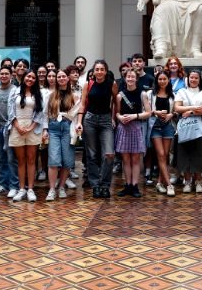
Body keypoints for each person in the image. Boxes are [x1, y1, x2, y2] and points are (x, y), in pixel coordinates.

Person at [78, 60, 118, 199]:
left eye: (102, 69)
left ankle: (105, 185)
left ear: (106, 71)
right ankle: (95, 185)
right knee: (92, 154)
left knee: (109, 154)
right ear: (93, 71)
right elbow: (82, 104)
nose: (99, 72)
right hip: (90, 120)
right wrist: (79, 122)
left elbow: (115, 101)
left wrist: (114, 117)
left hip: (106, 120)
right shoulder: (88, 84)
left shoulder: (112, 84)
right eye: (97, 69)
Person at [8, 70, 46, 202]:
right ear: (24, 77)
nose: (30, 79)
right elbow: (10, 111)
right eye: (28, 76)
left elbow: (40, 113)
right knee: (21, 160)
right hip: (16, 127)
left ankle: (30, 189)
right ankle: (21, 189)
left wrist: (30, 127)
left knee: (31, 160)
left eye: (33, 77)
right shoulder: (15, 91)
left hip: (32, 128)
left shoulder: (38, 93)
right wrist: (18, 126)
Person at [114, 69, 151, 198]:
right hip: (124, 128)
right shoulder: (120, 95)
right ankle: (128, 185)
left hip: (136, 127)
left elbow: (148, 113)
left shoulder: (142, 94)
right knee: (125, 159)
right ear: (125, 78)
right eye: (128, 76)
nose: (130, 79)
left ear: (136, 79)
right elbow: (117, 112)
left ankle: (135, 185)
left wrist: (135, 116)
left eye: (132, 77)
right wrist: (120, 118)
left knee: (135, 159)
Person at [174, 69, 202, 193]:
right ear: (188, 79)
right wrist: (194, 108)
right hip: (185, 126)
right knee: (185, 153)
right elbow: (177, 107)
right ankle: (188, 182)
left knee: (199, 152)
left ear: (200, 79)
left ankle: (198, 181)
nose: (193, 80)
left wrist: (189, 112)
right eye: (191, 77)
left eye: (196, 78)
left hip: (200, 125)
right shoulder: (182, 91)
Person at [45, 69, 79, 201]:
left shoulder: (74, 96)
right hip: (53, 127)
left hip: (67, 128)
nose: (61, 78)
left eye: (63, 76)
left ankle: (61, 187)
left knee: (67, 159)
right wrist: (45, 129)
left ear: (68, 78)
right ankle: (52, 189)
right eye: (59, 77)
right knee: (53, 160)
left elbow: (75, 114)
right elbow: (45, 113)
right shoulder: (51, 95)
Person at [0, 66, 18, 197]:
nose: (4, 76)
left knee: (12, 158)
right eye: (2, 74)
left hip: (11, 128)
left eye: (7, 73)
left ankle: (14, 186)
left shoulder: (15, 90)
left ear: (11, 75)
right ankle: (2, 185)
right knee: (1, 158)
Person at [149, 71, 177, 196]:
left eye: (164, 79)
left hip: (168, 126)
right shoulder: (150, 94)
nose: (162, 81)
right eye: (160, 79)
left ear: (168, 80)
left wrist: (172, 114)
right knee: (160, 154)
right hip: (155, 126)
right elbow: (146, 110)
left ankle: (160, 183)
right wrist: (155, 112)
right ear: (156, 80)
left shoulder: (173, 95)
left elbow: (177, 111)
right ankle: (169, 185)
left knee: (165, 155)